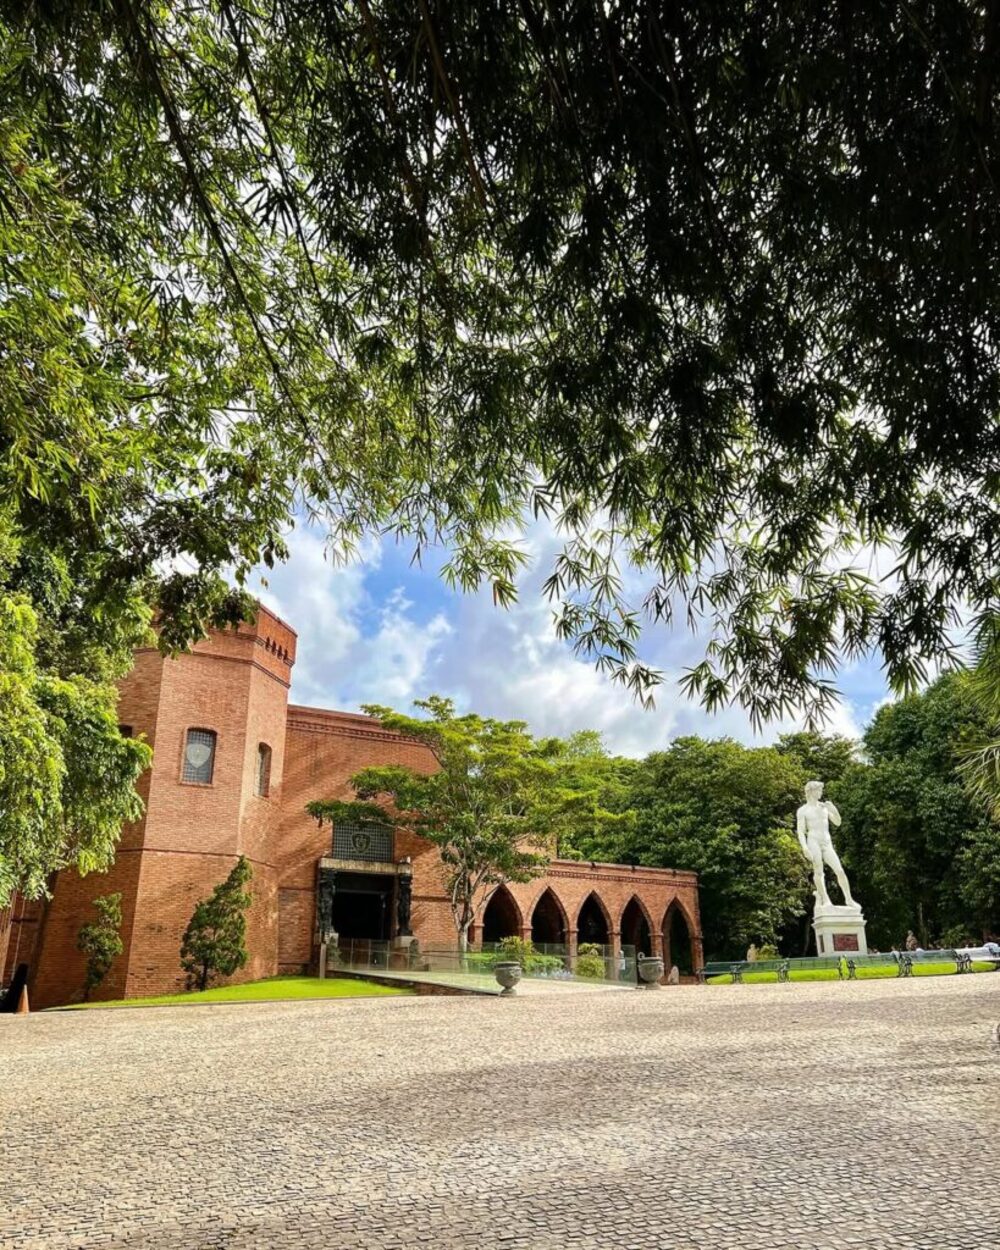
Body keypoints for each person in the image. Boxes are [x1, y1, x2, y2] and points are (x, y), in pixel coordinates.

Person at [796, 780, 856, 908]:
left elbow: (838, 822)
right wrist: (805, 848)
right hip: (813, 841)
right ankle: (825, 899)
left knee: (839, 870)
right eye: (819, 790)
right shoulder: (803, 810)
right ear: (811, 792)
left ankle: (849, 899)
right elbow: (801, 831)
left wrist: (833, 809)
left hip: (826, 842)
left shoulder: (824, 807)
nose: (821, 792)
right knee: (819, 871)